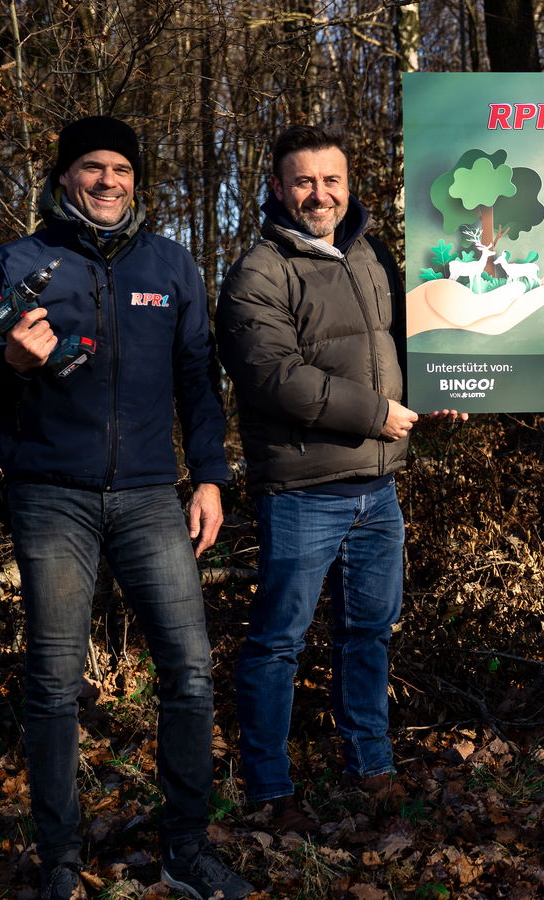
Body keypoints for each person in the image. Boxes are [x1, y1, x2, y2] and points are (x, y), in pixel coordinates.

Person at [0, 116, 252, 899]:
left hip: (153, 495)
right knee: (55, 682)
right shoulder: (19, 262)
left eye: (121, 168)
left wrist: (212, 477)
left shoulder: (172, 265)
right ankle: (59, 862)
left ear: (137, 179)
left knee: (190, 672)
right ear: (64, 178)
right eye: (92, 167)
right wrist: (15, 365)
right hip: (51, 497)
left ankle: (185, 851)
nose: (108, 181)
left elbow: (198, 380)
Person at [216, 125, 463, 835]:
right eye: (303, 181)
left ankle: (370, 764)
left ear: (350, 185)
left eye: (332, 180)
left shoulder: (371, 254)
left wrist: (437, 386)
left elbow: (401, 343)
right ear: (276, 189)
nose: (320, 194)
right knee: (278, 641)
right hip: (303, 492)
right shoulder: (259, 271)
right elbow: (273, 376)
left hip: (379, 488)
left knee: (368, 633)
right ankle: (267, 785)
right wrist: (377, 414)